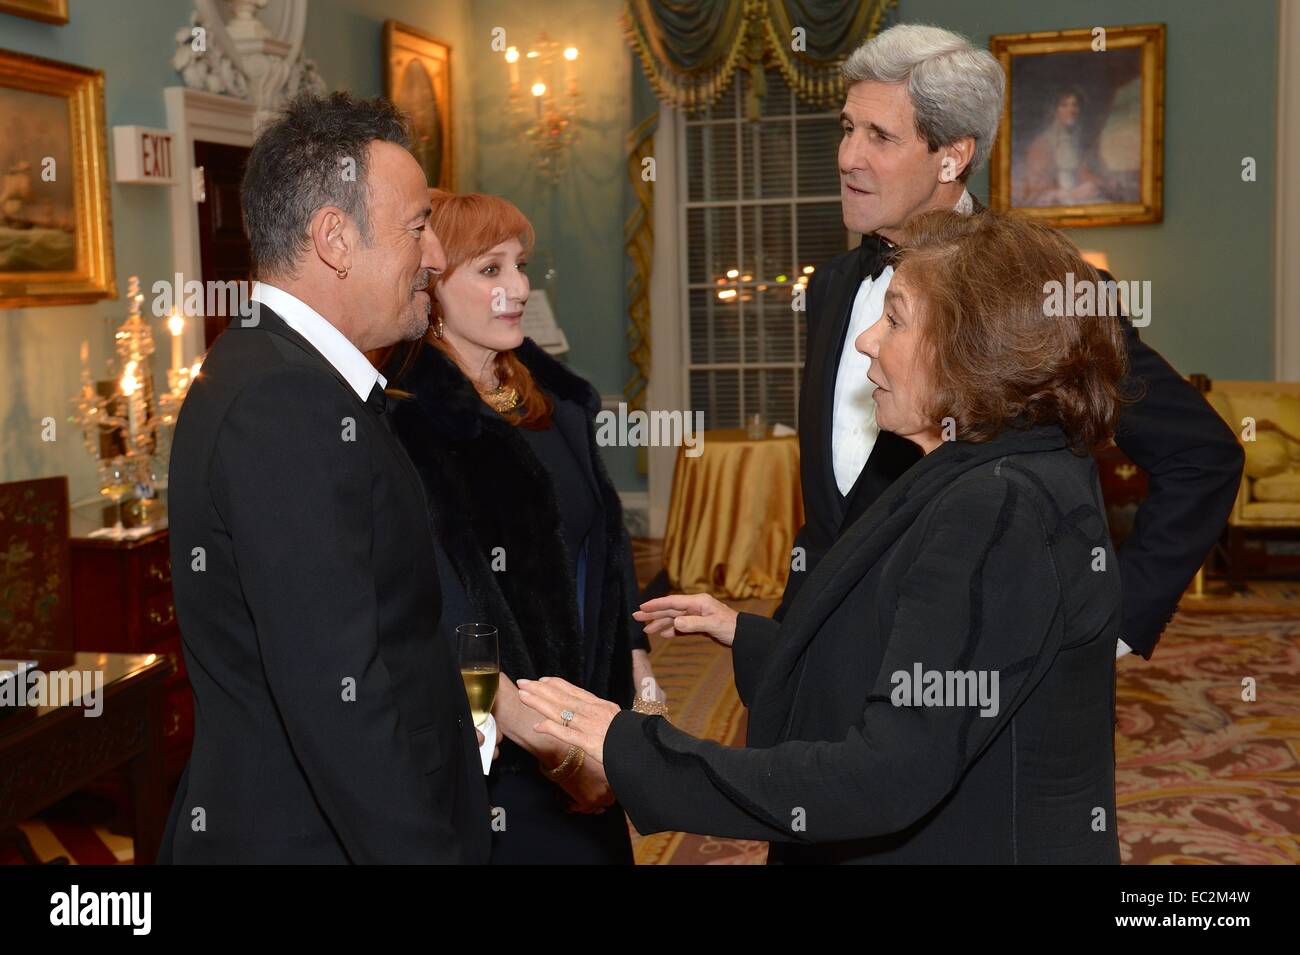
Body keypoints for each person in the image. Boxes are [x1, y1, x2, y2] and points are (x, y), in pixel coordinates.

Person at [520, 210, 1128, 864]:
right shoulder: (983, 467)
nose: (866, 340)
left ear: (972, 348)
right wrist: (750, 635)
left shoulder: (997, 508)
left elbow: (884, 775)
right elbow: (913, 652)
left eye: (895, 318)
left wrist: (631, 750)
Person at [774, 23, 1242, 661]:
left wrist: (1120, 626)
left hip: (970, 674)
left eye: (879, 135)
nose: (848, 156)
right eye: (847, 128)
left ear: (953, 156)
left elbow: (1203, 457)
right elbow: (841, 503)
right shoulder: (830, 287)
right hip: (821, 652)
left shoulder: (1044, 292)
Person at [161, 93, 491, 864]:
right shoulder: (283, 402)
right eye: (418, 227)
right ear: (336, 239)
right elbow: (339, 699)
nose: (436, 255)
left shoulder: (291, 374)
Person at [383, 191, 662, 864]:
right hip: (505, 761)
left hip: (592, 718)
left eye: (520, 266)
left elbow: (607, 544)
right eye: (489, 270)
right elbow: (441, 609)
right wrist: (554, 754)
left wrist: (638, 667)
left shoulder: (537, 399)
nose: (517, 289)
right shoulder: (414, 424)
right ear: (433, 288)